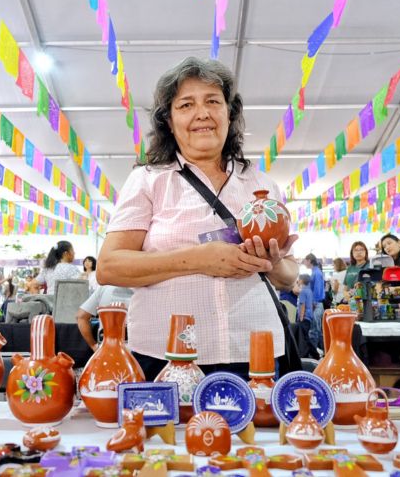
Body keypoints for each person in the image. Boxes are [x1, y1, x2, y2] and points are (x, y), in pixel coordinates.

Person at [96, 57, 299, 381]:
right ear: (169, 120)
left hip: (255, 351)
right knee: (168, 432)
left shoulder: (262, 184)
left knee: (251, 432)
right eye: (186, 104)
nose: (202, 113)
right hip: (166, 355)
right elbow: (109, 267)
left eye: (213, 102)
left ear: (229, 114)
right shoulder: (149, 180)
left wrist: (272, 263)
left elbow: (289, 276)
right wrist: (197, 260)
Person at [75, 285, 134, 351]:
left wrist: (94, 346)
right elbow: (81, 317)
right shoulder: (144, 287)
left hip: (107, 349)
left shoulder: (104, 288)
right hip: (138, 351)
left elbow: (81, 316)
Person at [302, 254, 325, 351]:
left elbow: (318, 290)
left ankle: (314, 355)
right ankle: (320, 352)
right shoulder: (315, 272)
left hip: (316, 304)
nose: (304, 263)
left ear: (309, 260)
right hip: (315, 304)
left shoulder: (317, 273)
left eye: (305, 260)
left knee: (314, 331)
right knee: (317, 331)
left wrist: (313, 303)